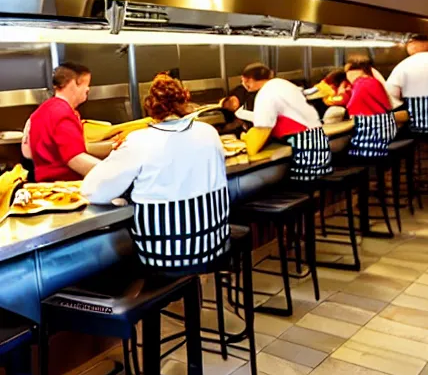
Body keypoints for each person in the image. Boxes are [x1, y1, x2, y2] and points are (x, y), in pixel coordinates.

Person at [81, 73, 230, 270]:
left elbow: (93, 191)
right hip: (215, 248)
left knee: (109, 263)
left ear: (150, 107)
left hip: (164, 258)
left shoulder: (139, 141)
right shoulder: (208, 132)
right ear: (184, 101)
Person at [240, 62, 332, 181]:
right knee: (311, 187)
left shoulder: (265, 94)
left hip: (304, 148)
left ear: (249, 80)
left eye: (243, 81)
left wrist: (248, 145)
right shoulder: (282, 84)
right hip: (317, 141)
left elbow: (262, 129)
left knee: (296, 187)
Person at [21, 62, 99, 182]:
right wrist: (111, 172)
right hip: (65, 187)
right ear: (73, 83)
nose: (88, 89)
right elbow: (75, 159)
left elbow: (27, 153)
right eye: (86, 84)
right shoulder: (63, 113)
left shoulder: (38, 113)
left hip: (44, 185)